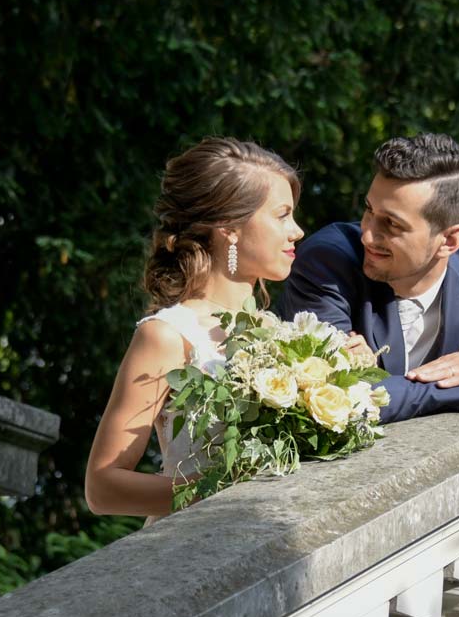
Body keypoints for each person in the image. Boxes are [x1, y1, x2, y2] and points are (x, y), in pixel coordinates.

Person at [279, 133, 459, 422]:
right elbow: (332, 396)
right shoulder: (329, 262)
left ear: (449, 241)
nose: (368, 234)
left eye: (392, 224)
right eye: (369, 210)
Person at [85, 137, 305, 519]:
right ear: (229, 227)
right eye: (282, 215)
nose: (297, 230)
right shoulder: (167, 335)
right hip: (193, 552)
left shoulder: (279, 333)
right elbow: (103, 487)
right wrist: (222, 492)